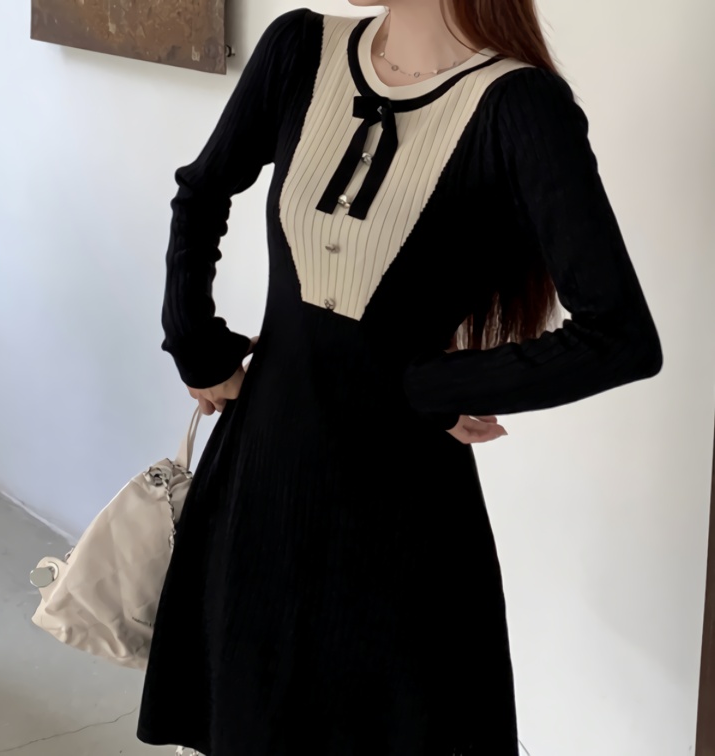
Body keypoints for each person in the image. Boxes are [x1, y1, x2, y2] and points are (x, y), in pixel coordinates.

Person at [137, 1, 663, 754]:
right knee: (247, 714)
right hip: (264, 470)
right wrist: (195, 341)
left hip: (399, 505)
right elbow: (202, 191)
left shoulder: (517, 105)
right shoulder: (300, 49)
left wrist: (438, 387)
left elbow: (620, 337)